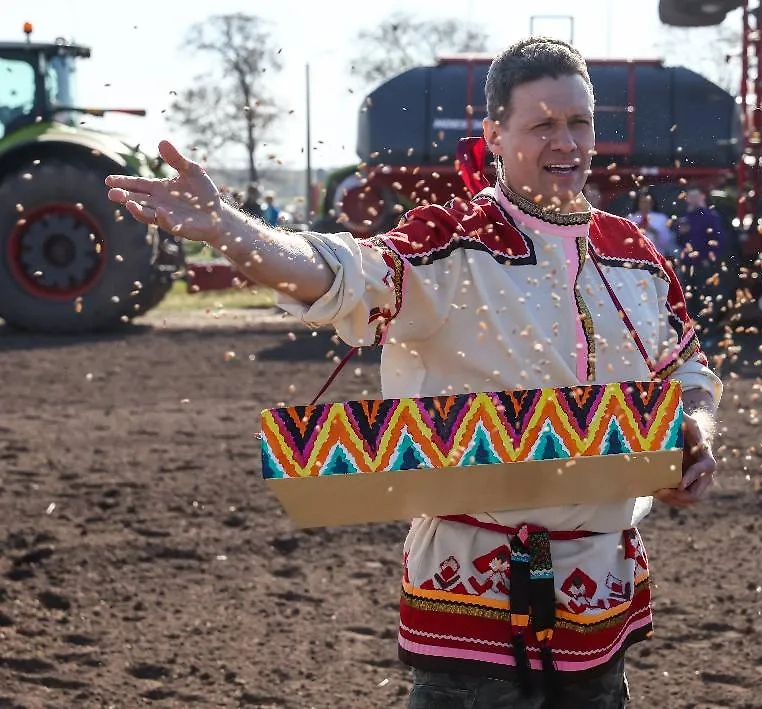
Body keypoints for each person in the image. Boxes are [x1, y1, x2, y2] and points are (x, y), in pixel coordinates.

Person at [106, 37, 722, 709]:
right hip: (472, 596)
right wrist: (226, 227)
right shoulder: (450, 240)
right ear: (493, 134)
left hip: (601, 594)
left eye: (578, 122)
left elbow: (687, 368)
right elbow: (336, 274)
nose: (565, 141)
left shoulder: (632, 251)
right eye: (541, 123)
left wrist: (695, 427)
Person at [674, 187, 727, 323]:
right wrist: (682, 233)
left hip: (703, 262)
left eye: (696, 196)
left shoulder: (710, 216)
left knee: (706, 295)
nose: (693, 200)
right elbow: (679, 241)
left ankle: (707, 328)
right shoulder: (685, 217)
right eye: (690, 197)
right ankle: (692, 328)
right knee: (689, 297)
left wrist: (709, 258)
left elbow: (718, 240)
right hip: (688, 263)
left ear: (702, 197)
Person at [627, 188, 674, 258]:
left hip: (657, 256)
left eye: (648, 202)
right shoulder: (631, 218)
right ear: (638, 203)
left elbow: (668, 240)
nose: (645, 205)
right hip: (636, 256)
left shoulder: (661, 218)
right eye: (643, 202)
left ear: (652, 203)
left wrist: (654, 231)